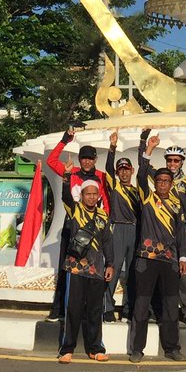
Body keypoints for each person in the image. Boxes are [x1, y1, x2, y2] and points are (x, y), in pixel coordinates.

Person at [44, 122, 111, 321]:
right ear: (80, 159)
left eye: (90, 159)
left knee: (94, 268)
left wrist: (105, 222)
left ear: (95, 160)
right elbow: (50, 160)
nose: (87, 162)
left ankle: (93, 311)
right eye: (84, 158)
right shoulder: (70, 172)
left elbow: (106, 202)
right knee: (66, 267)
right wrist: (66, 139)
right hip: (72, 225)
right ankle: (59, 310)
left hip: (93, 228)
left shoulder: (101, 177)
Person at [128, 165, 186, 362]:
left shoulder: (177, 204)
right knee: (141, 304)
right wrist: (147, 150)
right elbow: (140, 174)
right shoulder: (147, 197)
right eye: (159, 180)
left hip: (170, 260)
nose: (162, 184)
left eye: (166, 181)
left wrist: (183, 257)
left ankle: (172, 348)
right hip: (147, 260)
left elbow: (181, 232)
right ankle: (137, 349)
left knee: (171, 304)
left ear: (171, 184)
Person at [139, 129, 186, 320]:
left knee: (184, 275)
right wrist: (148, 146)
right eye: (169, 160)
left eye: (176, 160)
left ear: (182, 162)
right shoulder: (160, 176)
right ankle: (154, 309)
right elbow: (142, 168)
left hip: (180, 234)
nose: (172, 164)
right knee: (158, 272)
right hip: (158, 236)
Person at [57, 182, 115, 363]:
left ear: (98, 196)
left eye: (94, 194)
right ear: (81, 195)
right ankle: (67, 349)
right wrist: (66, 178)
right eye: (87, 194)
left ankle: (95, 349)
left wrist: (110, 264)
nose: (91, 197)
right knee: (73, 309)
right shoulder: (74, 210)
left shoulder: (103, 215)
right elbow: (65, 196)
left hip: (96, 270)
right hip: (76, 269)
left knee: (95, 311)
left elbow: (107, 242)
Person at [103, 129, 141, 321]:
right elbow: (108, 169)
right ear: (117, 173)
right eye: (121, 169)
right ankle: (107, 308)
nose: (124, 172)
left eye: (127, 169)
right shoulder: (115, 187)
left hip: (134, 230)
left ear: (132, 171)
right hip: (117, 228)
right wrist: (112, 146)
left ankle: (128, 308)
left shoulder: (137, 191)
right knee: (114, 268)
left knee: (133, 271)